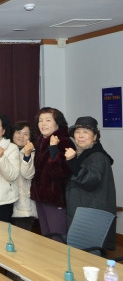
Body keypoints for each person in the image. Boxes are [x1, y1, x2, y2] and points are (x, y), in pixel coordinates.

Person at [64, 116, 116, 250]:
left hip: (90, 214)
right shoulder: (83, 153)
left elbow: (90, 181)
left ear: (95, 136)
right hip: (83, 210)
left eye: (86, 132)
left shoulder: (97, 156)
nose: (80, 135)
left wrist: (72, 161)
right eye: (77, 132)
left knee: (89, 254)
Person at [30, 107, 73, 239]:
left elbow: (63, 172)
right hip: (41, 198)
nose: (43, 123)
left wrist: (54, 149)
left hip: (55, 199)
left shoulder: (64, 142)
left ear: (57, 123)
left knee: (57, 239)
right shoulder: (40, 141)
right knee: (46, 239)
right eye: (40, 120)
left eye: (48, 120)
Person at [11, 121, 37, 232]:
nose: (21, 136)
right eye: (18, 132)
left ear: (30, 137)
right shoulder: (6, 151)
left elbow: (28, 174)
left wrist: (27, 155)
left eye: (26, 134)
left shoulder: (33, 153)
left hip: (24, 207)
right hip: (8, 204)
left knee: (22, 240)